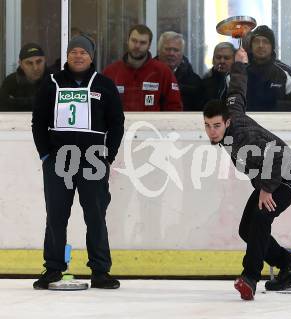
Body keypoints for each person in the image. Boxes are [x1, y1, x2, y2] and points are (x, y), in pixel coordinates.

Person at [203, 48, 291, 300]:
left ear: (227, 123)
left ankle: (249, 277)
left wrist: (267, 188)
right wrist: (239, 64)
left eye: (216, 126)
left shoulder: (243, 135)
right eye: (207, 126)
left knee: (261, 219)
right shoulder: (231, 111)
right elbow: (236, 91)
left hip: (289, 177)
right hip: (268, 178)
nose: (212, 132)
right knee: (245, 230)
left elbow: (273, 152)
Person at [32, 35, 125, 289]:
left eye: (83, 52)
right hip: (59, 158)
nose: (78, 56)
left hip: (93, 159)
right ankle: (53, 269)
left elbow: (117, 123)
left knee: (95, 215)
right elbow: (38, 121)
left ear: (91, 56)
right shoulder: (51, 83)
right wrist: (45, 154)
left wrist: (108, 156)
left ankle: (100, 271)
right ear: (67, 56)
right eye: (73, 51)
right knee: (56, 215)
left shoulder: (104, 85)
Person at [103, 24, 182, 112]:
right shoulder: (111, 72)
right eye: (134, 41)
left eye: (142, 42)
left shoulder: (163, 72)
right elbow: (99, 106)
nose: (137, 46)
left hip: (152, 125)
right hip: (118, 125)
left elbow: (174, 108)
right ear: (127, 41)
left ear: (149, 45)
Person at [246, 25, 291, 112]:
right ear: (251, 46)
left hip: (276, 125)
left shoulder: (286, 75)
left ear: (272, 47)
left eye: (265, 42)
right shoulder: (239, 74)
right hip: (245, 125)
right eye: (256, 41)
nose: (260, 45)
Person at [157, 31, 204, 111]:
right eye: (167, 49)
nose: (171, 53)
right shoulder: (148, 74)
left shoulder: (194, 82)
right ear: (159, 50)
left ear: (182, 54)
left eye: (176, 50)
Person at [0, 43, 48, 111]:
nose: (35, 68)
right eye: (29, 63)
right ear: (21, 64)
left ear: (45, 60)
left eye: (39, 61)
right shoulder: (11, 81)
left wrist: (15, 101)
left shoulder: (54, 79)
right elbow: (3, 107)